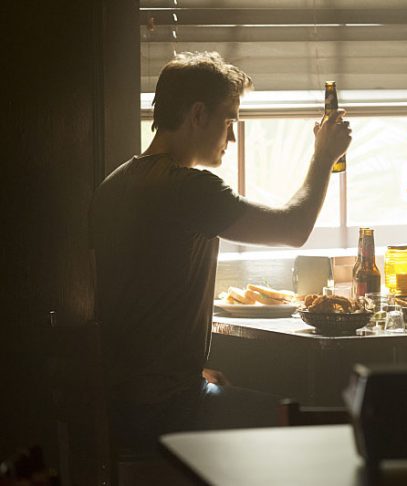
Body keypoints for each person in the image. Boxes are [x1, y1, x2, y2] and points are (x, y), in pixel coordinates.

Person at [89, 51, 351, 449]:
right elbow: (294, 227)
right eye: (229, 121)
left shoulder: (117, 183)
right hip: (165, 410)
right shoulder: (187, 188)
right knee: (314, 430)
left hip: (120, 401)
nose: (231, 137)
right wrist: (324, 156)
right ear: (197, 115)